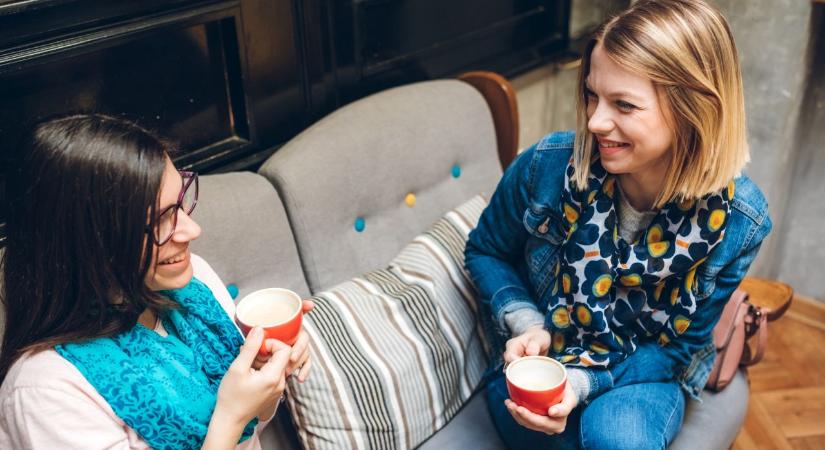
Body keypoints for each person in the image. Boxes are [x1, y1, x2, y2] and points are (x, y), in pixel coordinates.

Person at [464, 1, 771, 448]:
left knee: (617, 440)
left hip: (643, 372)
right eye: (592, 94)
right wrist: (527, 321)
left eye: (624, 104)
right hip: (544, 360)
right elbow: (485, 250)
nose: (594, 121)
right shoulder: (546, 167)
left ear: (693, 110)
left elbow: (677, 351)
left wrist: (584, 384)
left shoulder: (741, 220)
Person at [0, 114, 313, 449]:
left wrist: (265, 377)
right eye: (159, 220)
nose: (192, 230)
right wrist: (230, 416)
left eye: (179, 204)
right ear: (88, 243)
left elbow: (252, 432)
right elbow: (236, 424)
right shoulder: (47, 392)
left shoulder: (193, 284)